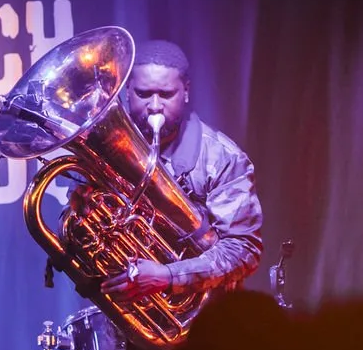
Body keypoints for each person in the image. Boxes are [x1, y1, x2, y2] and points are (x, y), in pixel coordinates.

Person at [97, 39, 263, 304]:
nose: (154, 105)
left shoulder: (222, 158)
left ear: (185, 91)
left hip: (204, 324)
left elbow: (243, 250)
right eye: (142, 93)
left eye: (165, 94)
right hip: (122, 322)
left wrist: (168, 276)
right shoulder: (106, 151)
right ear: (127, 90)